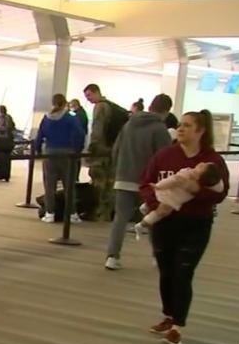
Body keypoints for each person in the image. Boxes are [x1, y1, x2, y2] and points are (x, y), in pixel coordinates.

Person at [140, 109, 229, 344]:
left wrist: (195, 191)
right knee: (166, 271)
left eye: (187, 125)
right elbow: (147, 184)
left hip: (195, 225)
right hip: (165, 224)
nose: (180, 129)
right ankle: (169, 315)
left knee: (182, 272)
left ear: (201, 131)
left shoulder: (213, 162)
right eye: (180, 124)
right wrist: (156, 204)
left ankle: (178, 326)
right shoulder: (164, 156)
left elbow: (220, 194)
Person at [104, 93, 173, 271]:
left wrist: (117, 171)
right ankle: (156, 256)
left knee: (120, 218)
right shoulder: (160, 129)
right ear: (166, 111)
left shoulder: (128, 124)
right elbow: (164, 158)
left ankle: (112, 256)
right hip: (148, 182)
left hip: (123, 177)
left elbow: (116, 150)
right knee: (153, 217)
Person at [34, 93, 86, 224]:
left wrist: (38, 150)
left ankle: (50, 213)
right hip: (68, 154)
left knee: (49, 185)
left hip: (50, 153)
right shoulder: (70, 118)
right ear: (65, 103)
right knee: (69, 185)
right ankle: (72, 213)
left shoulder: (46, 118)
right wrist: (77, 150)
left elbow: (39, 135)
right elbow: (80, 134)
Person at [135, 162, 223, 237]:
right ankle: (142, 224)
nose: (201, 163)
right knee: (161, 212)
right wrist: (158, 186)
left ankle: (144, 217)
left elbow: (219, 189)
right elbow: (172, 180)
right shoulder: (185, 175)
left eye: (202, 167)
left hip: (172, 200)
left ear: (198, 177)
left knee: (162, 212)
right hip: (167, 196)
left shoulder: (200, 183)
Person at [84, 84, 127, 221]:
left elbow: (97, 130)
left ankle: (98, 212)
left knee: (98, 183)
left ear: (97, 92)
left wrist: (92, 148)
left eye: (89, 95)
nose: (88, 99)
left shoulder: (100, 107)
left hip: (101, 153)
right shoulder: (113, 107)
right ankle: (107, 213)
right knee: (110, 183)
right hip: (113, 150)